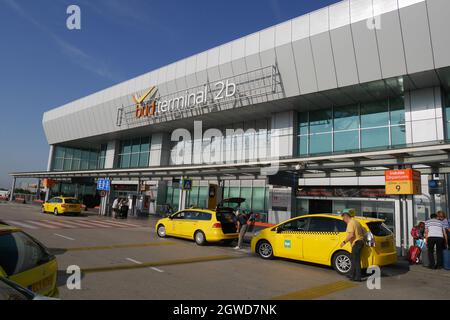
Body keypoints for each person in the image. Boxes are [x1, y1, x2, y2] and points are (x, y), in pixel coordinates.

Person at [340, 209, 366, 282]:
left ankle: (358, 277)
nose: (343, 220)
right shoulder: (357, 222)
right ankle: (351, 274)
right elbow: (364, 232)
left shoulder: (350, 223)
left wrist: (344, 242)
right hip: (360, 242)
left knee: (356, 261)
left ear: (346, 216)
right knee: (353, 259)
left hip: (357, 243)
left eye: (343, 218)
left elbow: (351, 235)